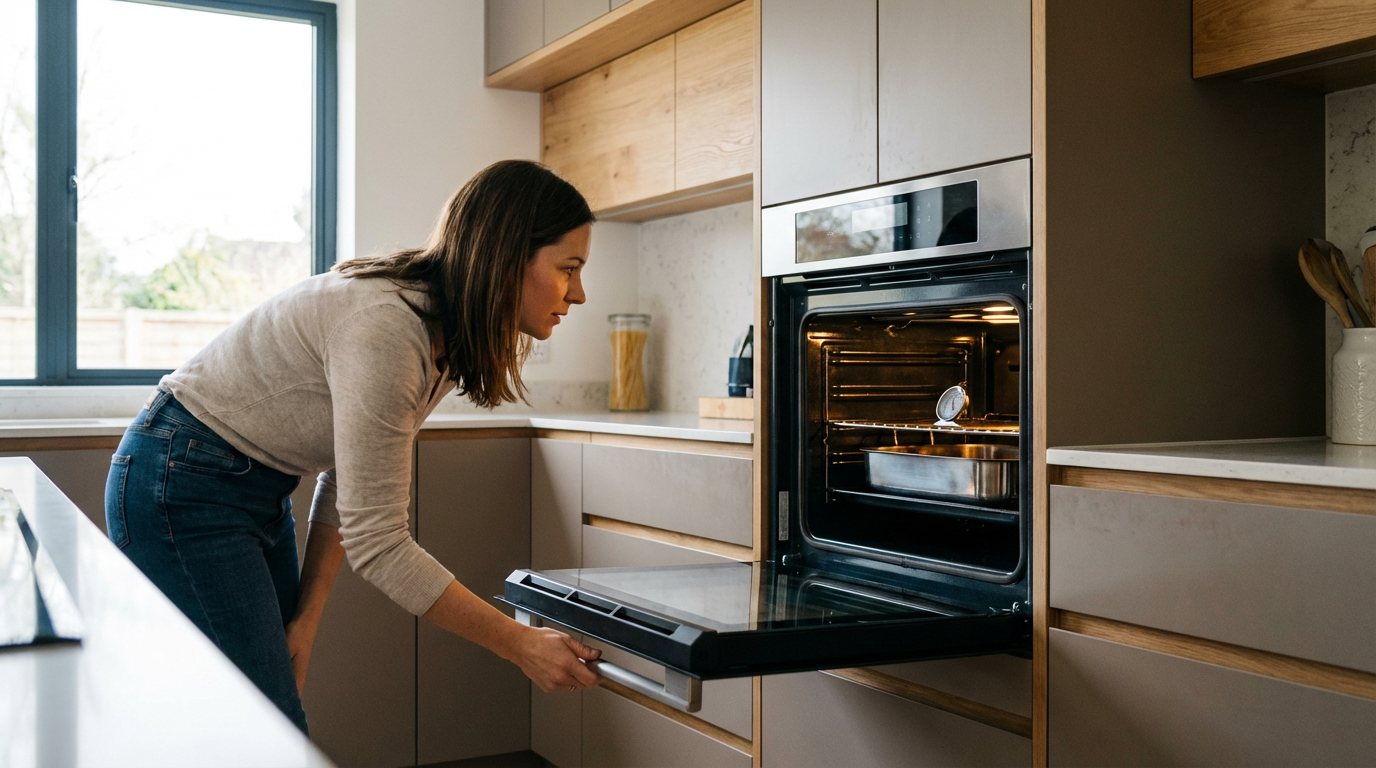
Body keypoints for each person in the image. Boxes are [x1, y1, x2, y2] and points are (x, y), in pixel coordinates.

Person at [104, 160, 603, 735]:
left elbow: (347, 481)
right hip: (180, 481)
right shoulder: (390, 328)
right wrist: (520, 643)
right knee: (265, 730)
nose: (579, 294)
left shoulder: (441, 333)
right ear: (507, 258)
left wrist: (305, 620)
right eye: (569, 269)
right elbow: (379, 543)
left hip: (240, 486)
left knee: (262, 722)